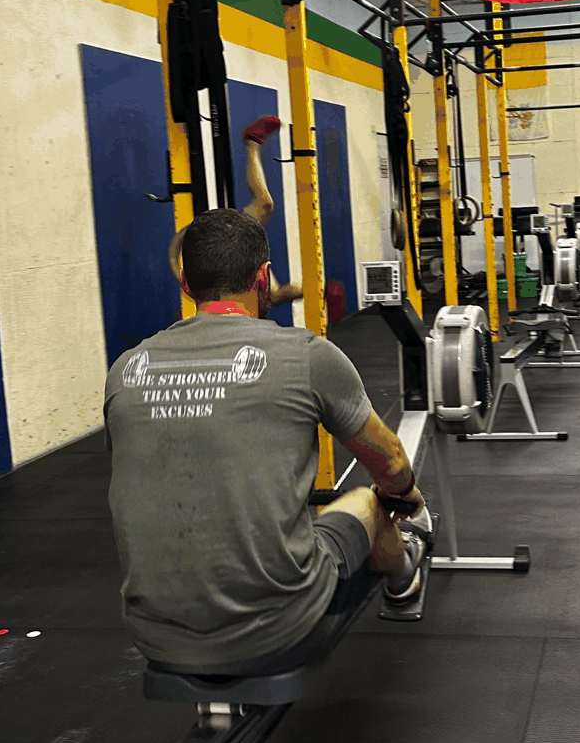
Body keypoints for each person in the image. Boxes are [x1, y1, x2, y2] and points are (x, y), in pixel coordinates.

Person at [107, 208, 429, 675]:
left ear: (185, 283)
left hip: (153, 637)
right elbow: (392, 459)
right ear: (263, 278)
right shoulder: (306, 355)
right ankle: (405, 584)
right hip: (283, 632)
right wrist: (404, 494)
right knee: (368, 501)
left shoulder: (125, 370)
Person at [167, 115, 303, 308]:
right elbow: (175, 252)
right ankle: (252, 142)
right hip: (225, 253)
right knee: (265, 204)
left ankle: (320, 291)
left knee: (273, 295)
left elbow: (175, 253)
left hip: (231, 249)